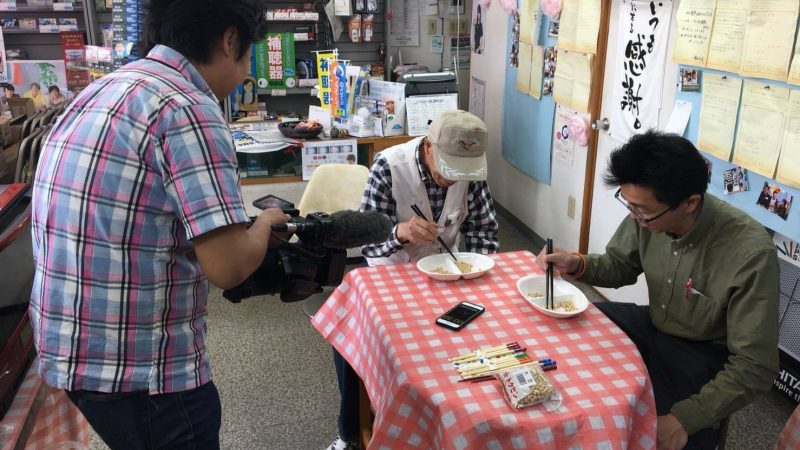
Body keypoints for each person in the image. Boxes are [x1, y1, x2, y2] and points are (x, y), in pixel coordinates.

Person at [29, 1, 287, 449]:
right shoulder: (189, 108)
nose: (246, 72)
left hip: (69, 346)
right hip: (140, 369)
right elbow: (228, 267)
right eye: (248, 57)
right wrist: (264, 222)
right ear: (229, 40)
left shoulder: (104, 90)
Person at [537, 131, 778, 450]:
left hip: (703, 352)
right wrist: (577, 264)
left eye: (642, 210)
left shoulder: (750, 254)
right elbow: (619, 265)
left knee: (655, 431)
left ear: (691, 202)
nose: (634, 216)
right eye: (629, 204)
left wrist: (684, 419)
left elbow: (755, 365)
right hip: (653, 323)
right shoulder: (647, 215)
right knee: (570, 322)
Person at [327, 110, 500, 450]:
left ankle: (454, 423)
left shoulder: (471, 172)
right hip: (389, 269)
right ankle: (348, 433)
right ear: (429, 145)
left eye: (462, 171)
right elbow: (366, 240)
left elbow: (484, 231)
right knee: (351, 336)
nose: (453, 179)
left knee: (472, 329)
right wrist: (399, 232)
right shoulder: (389, 166)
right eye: (447, 167)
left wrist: (481, 271)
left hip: (446, 271)